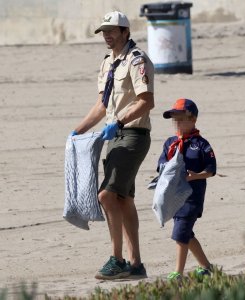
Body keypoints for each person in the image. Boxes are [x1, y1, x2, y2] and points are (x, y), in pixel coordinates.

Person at [71, 11, 155, 280]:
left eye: (112, 30)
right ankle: (136, 264)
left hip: (133, 135)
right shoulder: (108, 62)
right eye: (104, 31)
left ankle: (116, 260)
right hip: (114, 136)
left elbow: (146, 101)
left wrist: (118, 122)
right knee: (123, 198)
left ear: (125, 32)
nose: (107, 35)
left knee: (106, 195)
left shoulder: (138, 60)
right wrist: (78, 130)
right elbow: (102, 105)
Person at [156, 98, 216, 281]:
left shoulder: (202, 144)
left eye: (181, 118)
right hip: (174, 197)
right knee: (186, 233)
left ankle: (178, 273)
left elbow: (211, 170)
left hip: (192, 198)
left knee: (180, 233)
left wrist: (195, 175)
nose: (177, 123)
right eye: (175, 119)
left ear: (193, 119)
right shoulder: (170, 143)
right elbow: (160, 165)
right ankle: (206, 266)